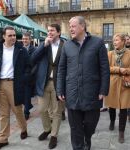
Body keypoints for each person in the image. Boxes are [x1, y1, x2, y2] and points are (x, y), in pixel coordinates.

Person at [56, 16, 110, 150]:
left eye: (73, 26)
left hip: (92, 93)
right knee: (75, 128)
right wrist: (59, 89)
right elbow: (61, 69)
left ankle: (87, 138)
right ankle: (79, 146)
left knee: (91, 124)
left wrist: (103, 90)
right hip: (72, 93)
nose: (70, 29)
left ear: (82, 26)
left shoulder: (98, 43)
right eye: (70, 26)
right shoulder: (67, 45)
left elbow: (105, 68)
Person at [0, 26, 29, 150]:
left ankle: (23, 129)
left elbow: (29, 67)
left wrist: (23, 79)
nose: (13, 38)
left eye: (14, 35)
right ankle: (3, 139)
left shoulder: (21, 50)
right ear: (3, 36)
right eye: (10, 35)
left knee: (18, 111)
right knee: (3, 114)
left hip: (14, 84)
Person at [31, 24, 64, 149]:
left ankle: (54, 136)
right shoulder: (44, 45)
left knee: (56, 112)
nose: (49, 33)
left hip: (59, 83)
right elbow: (32, 59)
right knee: (42, 109)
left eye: (52, 31)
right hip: (44, 82)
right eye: (48, 31)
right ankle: (47, 129)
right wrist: (43, 45)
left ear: (59, 32)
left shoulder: (65, 46)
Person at [105, 33, 130, 143]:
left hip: (125, 84)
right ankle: (111, 121)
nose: (114, 42)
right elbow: (106, 68)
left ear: (124, 41)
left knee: (124, 108)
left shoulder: (129, 54)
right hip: (113, 83)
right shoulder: (110, 54)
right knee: (112, 106)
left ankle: (121, 132)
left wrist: (126, 71)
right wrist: (118, 69)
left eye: (117, 40)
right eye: (113, 40)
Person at [22, 32, 36, 120]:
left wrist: (31, 74)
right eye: (23, 39)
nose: (24, 40)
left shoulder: (34, 50)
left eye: (26, 39)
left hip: (29, 76)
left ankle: (26, 112)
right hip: (20, 76)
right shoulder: (19, 49)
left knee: (27, 95)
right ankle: (28, 106)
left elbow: (35, 64)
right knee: (23, 95)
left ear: (30, 40)